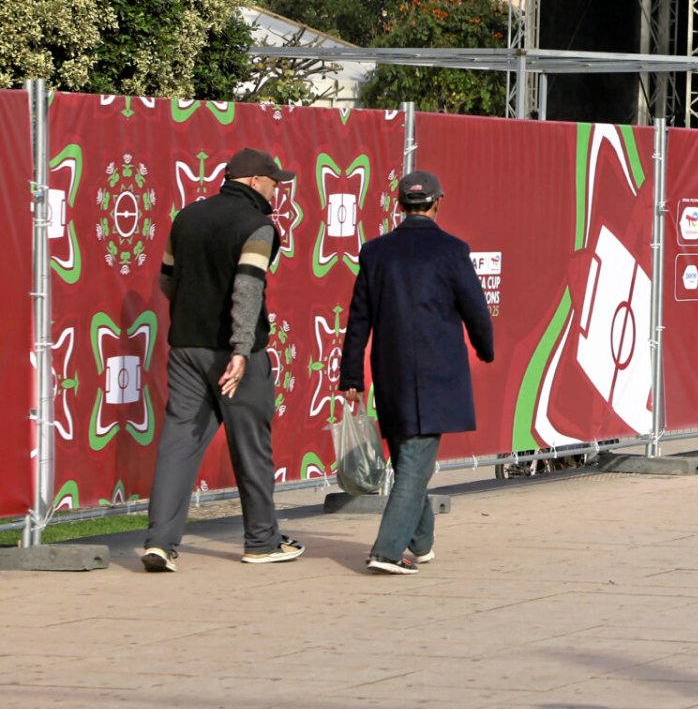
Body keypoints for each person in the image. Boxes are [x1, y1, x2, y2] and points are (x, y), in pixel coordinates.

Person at [139, 149, 304, 573]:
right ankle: (262, 541)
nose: (277, 190)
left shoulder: (186, 218)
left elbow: (166, 281)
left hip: (185, 350)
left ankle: (159, 542)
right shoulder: (258, 226)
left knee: (178, 445)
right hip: (235, 356)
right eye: (274, 182)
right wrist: (240, 350)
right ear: (253, 182)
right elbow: (247, 290)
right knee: (251, 448)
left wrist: (194, 313)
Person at [338, 170, 496, 576]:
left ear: (399, 204)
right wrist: (485, 348)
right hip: (438, 373)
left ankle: (421, 543)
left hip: (391, 373)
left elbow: (358, 321)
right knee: (413, 463)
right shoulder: (451, 250)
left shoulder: (376, 252)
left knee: (411, 460)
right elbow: (475, 309)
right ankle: (387, 550)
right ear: (438, 202)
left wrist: (352, 377)